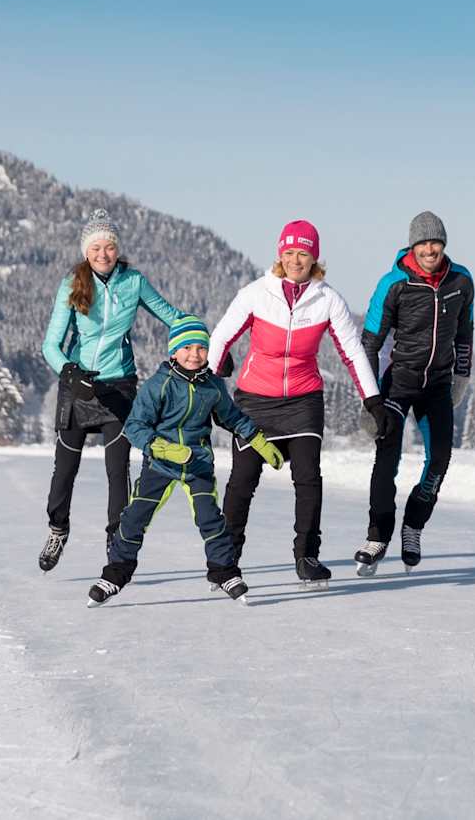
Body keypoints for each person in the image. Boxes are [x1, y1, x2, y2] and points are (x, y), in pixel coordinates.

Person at [209, 219, 387, 587]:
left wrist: (373, 400)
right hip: (254, 401)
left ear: (314, 257)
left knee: (307, 478)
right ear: (280, 255)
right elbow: (221, 336)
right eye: (289, 252)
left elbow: (352, 353)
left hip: (303, 400)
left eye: (303, 253)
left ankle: (306, 556)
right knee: (243, 480)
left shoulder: (327, 299)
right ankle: (224, 560)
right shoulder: (256, 293)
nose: (295, 260)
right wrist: (213, 374)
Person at [86, 315, 283, 606]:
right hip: (160, 464)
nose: (194, 354)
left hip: (197, 464)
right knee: (133, 518)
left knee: (211, 519)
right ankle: (115, 573)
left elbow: (232, 417)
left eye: (201, 348)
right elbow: (135, 426)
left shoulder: (213, 386)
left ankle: (223, 571)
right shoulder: (159, 384)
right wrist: (161, 449)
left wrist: (257, 440)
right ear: (173, 351)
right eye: (187, 347)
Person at [38, 209, 184, 573]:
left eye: (109, 247)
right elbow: (50, 345)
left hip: (118, 384)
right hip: (78, 386)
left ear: (117, 250)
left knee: (118, 472)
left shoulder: (133, 281)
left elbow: (172, 316)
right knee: (64, 471)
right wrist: (69, 372)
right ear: (86, 251)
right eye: (96, 247)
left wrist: (201, 341)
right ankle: (58, 528)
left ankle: (115, 540)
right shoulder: (72, 283)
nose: (103, 254)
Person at [353, 211, 475, 575]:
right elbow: (369, 343)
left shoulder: (462, 280)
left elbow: (465, 333)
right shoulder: (393, 283)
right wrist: (369, 398)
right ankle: (377, 536)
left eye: (435, 242)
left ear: (443, 245)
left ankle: (413, 527)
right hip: (399, 383)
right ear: (412, 245)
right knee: (386, 459)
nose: (430, 249)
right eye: (423, 243)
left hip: (437, 385)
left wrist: (461, 379)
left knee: (439, 459)